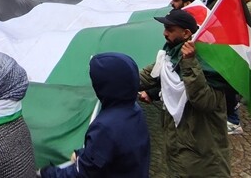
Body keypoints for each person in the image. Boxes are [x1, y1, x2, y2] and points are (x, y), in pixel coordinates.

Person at [138, 9, 230, 177]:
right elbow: (147, 76)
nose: (164, 33)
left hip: (202, 153)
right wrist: (114, 78)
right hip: (177, 144)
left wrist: (189, 62)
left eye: (170, 29)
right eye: (165, 28)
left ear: (186, 33)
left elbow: (205, 102)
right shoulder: (169, 55)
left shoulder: (210, 62)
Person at [40, 52, 150, 178]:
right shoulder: (135, 110)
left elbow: (84, 173)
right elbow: (113, 149)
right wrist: (83, 154)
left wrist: (47, 173)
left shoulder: (105, 127)